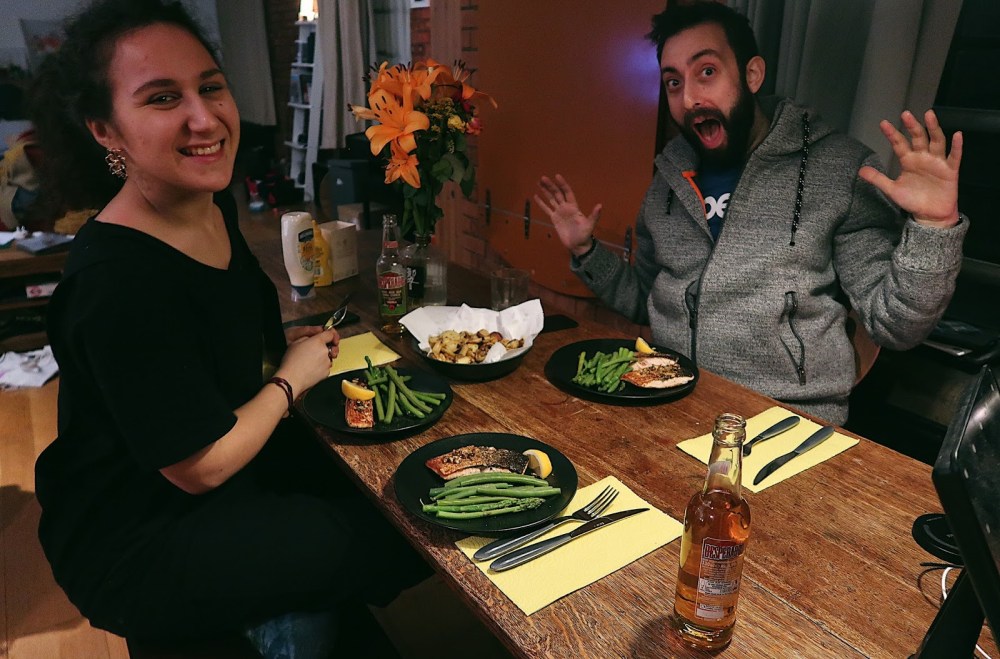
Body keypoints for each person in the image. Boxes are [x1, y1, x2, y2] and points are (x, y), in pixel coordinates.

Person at [28, 1, 427, 656]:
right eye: (162, 98)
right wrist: (290, 382)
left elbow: (226, 342)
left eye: (210, 86)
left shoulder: (205, 204)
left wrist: (283, 358)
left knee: (396, 488)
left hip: (224, 463)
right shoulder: (116, 279)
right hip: (139, 529)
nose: (204, 117)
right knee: (386, 531)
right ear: (106, 130)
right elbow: (198, 464)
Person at [535, 2, 968, 425]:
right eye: (673, 82)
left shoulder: (838, 170)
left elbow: (896, 325)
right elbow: (647, 301)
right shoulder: (667, 179)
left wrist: (933, 227)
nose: (689, 98)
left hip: (787, 420)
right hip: (672, 403)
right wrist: (587, 251)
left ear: (752, 74)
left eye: (707, 72)